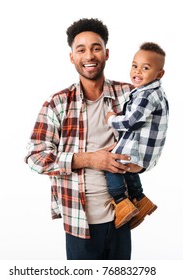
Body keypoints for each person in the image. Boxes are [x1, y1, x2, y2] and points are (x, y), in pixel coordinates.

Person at [24, 18, 138, 260]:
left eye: (96, 48)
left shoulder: (129, 95)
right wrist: (89, 160)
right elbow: (35, 158)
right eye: (81, 49)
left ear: (106, 53)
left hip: (122, 214)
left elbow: (152, 139)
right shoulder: (57, 103)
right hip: (78, 219)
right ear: (72, 57)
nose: (90, 55)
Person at [104, 42, 169, 230]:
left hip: (138, 150)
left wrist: (111, 119)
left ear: (159, 74)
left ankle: (122, 202)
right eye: (134, 66)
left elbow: (131, 122)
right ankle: (140, 200)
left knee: (111, 164)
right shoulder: (152, 92)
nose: (137, 71)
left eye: (145, 68)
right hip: (144, 152)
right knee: (126, 168)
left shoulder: (147, 95)